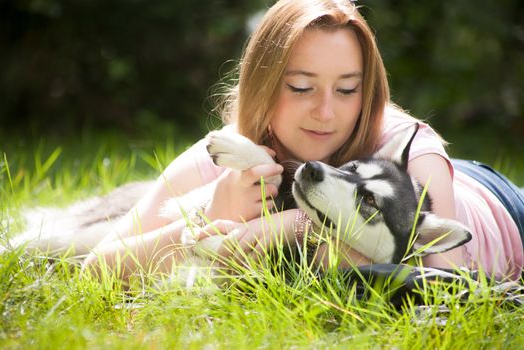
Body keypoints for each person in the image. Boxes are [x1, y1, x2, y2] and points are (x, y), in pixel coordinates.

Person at [83, 0, 524, 283]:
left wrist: (299, 225)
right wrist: (206, 219)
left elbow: (437, 290)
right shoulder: (226, 154)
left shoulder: (411, 153)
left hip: (495, 202)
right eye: (301, 87)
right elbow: (95, 271)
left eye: (347, 89)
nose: (327, 113)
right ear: (263, 86)